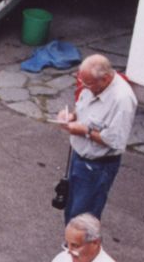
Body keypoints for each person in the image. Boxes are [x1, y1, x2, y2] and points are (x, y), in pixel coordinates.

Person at [58, 55, 137, 221]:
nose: (84, 87)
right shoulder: (92, 84)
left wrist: (85, 131)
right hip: (78, 158)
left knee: (83, 218)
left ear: (106, 78)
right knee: (71, 209)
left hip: (98, 167)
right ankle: (71, 246)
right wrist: (70, 116)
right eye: (82, 82)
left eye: (88, 84)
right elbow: (83, 110)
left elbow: (115, 141)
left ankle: (77, 247)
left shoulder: (122, 100)